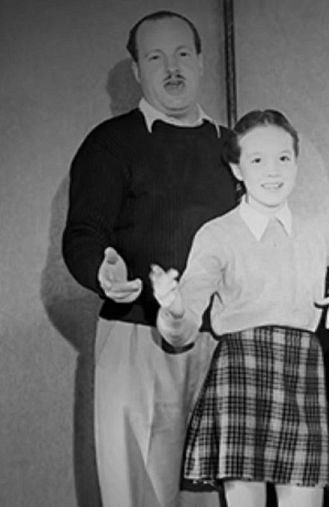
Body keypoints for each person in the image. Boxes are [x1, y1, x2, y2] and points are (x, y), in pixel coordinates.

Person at [148, 109, 329, 507]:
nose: (273, 172)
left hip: (302, 372)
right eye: (257, 160)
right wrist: (173, 308)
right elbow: (181, 332)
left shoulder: (318, 227)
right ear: (237, 169)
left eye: (283, 158)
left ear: (295, 163)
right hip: (241, 376)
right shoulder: (217, 235)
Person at [62, 10, 237, 507]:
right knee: (142, 491)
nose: (172, 68)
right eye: (156, 57)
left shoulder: (233, 147)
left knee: (218, 492)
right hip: (139, 338)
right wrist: (101, 269)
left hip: (219, 343)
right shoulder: (110, 143)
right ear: (137, 70)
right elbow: (83, 233)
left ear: (201, 62)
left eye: (183, 54)